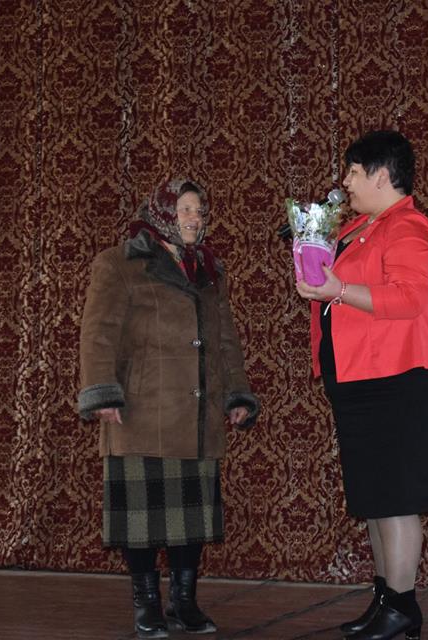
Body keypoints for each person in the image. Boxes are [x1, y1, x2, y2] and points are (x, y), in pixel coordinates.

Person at [77, 177, 259, 639]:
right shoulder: (120, 263)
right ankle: (147, 604)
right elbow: (98, 333)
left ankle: (184, 601)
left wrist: (236, 393)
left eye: (199, 210)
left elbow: (225, 340)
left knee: (190, 519)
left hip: (197, 416)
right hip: (141, 412)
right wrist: (102, 393)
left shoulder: (210, 271)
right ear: (161, 213)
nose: (194, 218)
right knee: (141, 519)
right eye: (184, 209)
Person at [296, 130, 428, 640]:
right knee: (377, 499)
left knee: (397, 499)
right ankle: (386, 600)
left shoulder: (409, 227)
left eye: (354, 172)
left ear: (382, 176)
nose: (345, 182)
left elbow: (410, 299)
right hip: (361, 378)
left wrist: (337, 288)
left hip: (399, 379)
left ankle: (401, 607)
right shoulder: (362, 226)